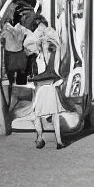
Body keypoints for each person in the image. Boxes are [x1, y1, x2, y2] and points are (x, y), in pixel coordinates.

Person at [24, 17, 65, 150]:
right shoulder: (40, 52)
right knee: (44, 114)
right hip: (44, 86)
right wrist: (40, 33)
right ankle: (46, 139)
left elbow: (57, 42)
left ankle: (49, 139)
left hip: (47, 86)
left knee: (47, 114)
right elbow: (27, 45)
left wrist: (44, 32)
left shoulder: (51, 49)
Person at [1, 18, 28, 100]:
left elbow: (1, 40)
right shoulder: (23, 29)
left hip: (10, 54)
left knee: (10, 77)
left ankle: (10, 94)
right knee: (21, 80)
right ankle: (20, 97)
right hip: (20, 54)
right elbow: (28, 36)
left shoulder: (6, 31)